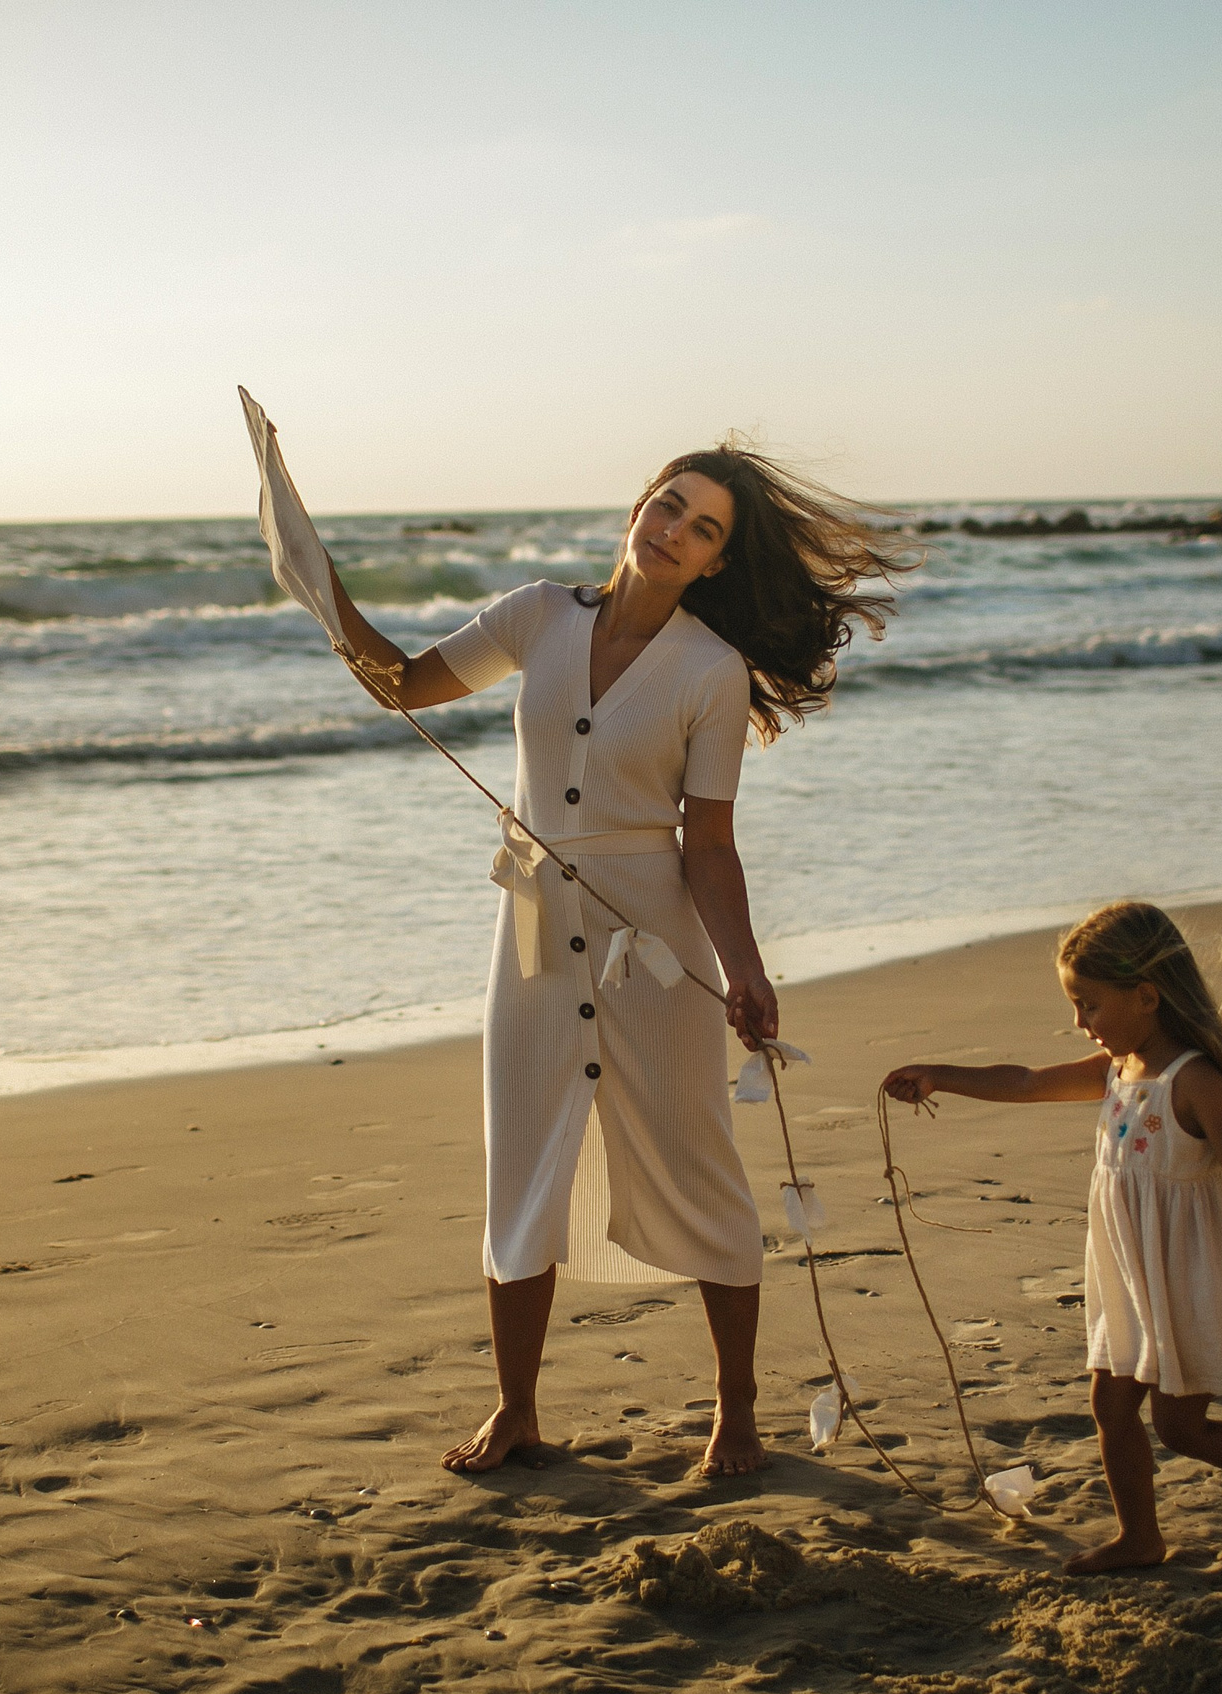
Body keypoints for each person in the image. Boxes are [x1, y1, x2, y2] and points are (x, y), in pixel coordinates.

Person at [324, 441, 913, 1477]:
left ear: (715, 563)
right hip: (536, 941)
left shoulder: (709, 672)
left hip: (654, 943)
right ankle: (516, 1411)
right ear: (639, 504)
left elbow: (711, 844)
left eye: (701, 528)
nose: (672, 528)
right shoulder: (536, 615)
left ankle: (735, 1408)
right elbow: (406, 686)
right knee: (521, 1162)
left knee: (694, 1159)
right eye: (668, 504)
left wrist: (744, 971)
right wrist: (325, 596)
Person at [881, 901, 1222, 1567]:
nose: (1079, 1021)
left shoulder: (1192, 1079)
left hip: (1184, 1274)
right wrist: (939, 1074)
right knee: (1111, 1405)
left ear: (1146, 996)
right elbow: (1029, 1080)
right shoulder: (1117, 1071)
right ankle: (1140, 1535)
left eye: (1089, 1004)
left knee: (1181, 1427)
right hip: (1129, 1271)